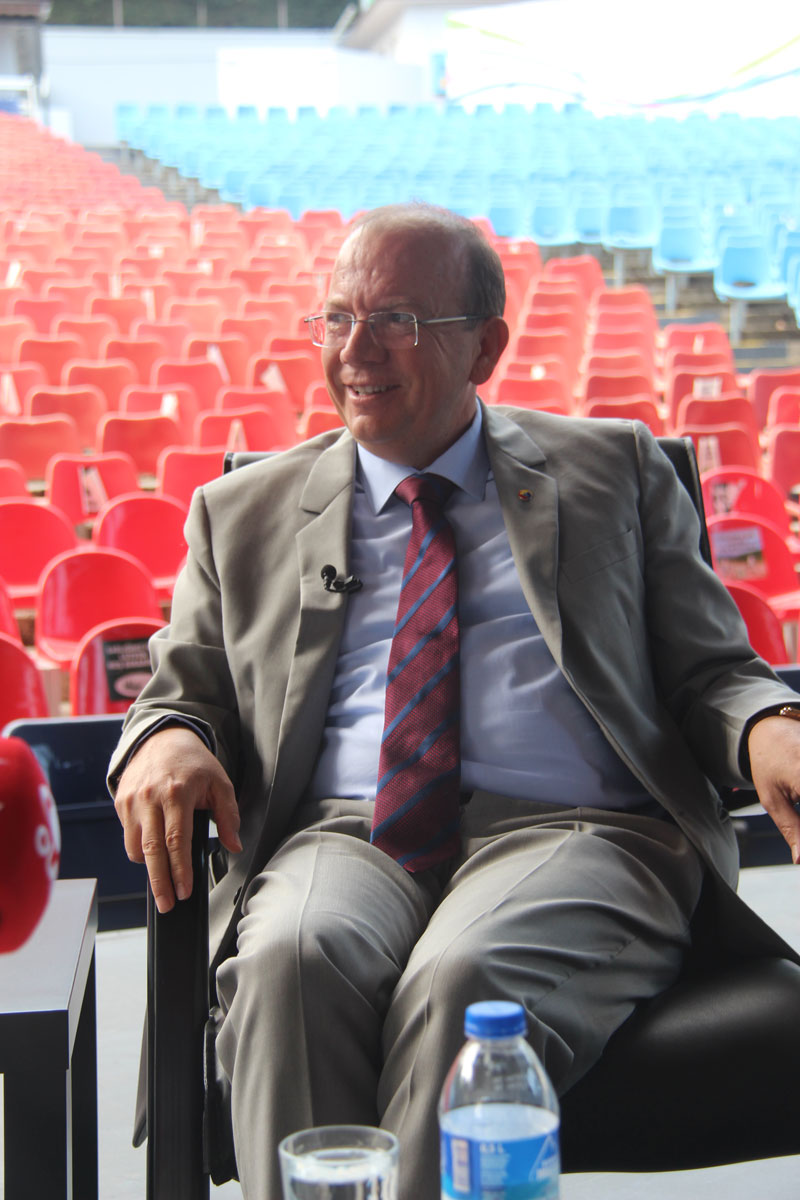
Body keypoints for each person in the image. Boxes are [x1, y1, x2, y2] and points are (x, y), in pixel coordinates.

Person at [111, 203, 800, 1199]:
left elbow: (712, 671)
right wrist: (168, 736)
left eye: (395, 320)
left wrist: (769, 724)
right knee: (290, 962)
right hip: (343, 834)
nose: (355, 351)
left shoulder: (613, 471)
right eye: (337, 318)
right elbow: (181, 690)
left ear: (485, 346)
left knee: (464, 979)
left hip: (577, 831)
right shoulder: (241, 513)